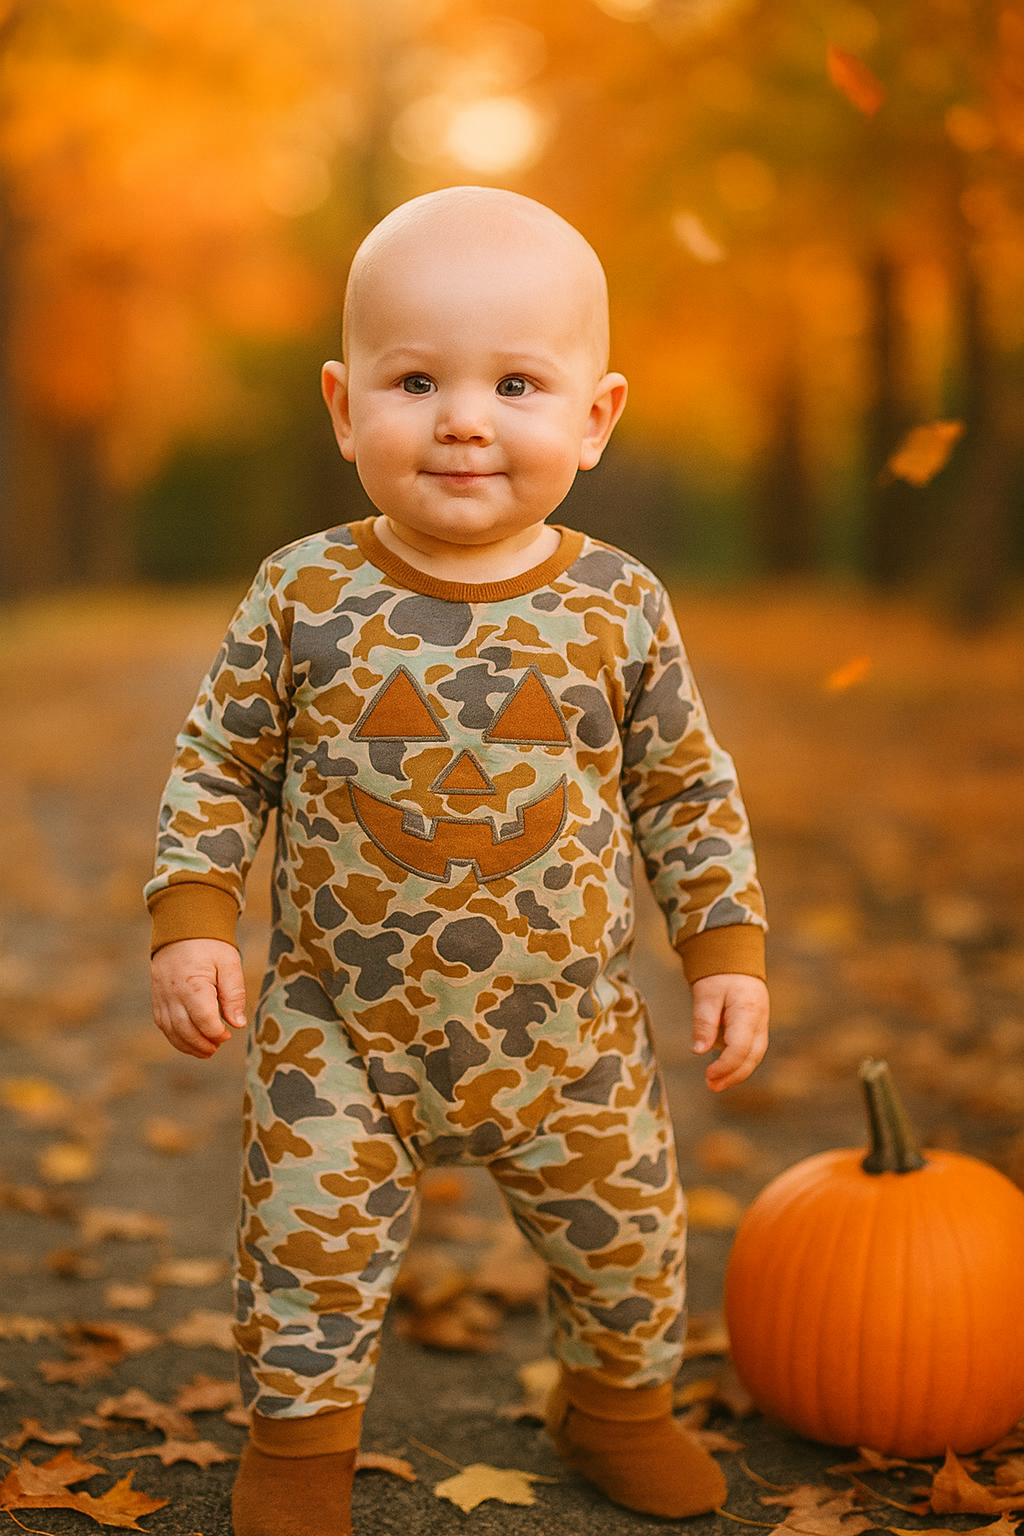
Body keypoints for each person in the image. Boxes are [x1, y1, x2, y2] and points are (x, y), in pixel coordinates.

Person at [147, 185, 769, 1536]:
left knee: (630, 1247)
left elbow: (683, 787)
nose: (464, 419)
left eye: (516, 383)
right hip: (340, 1025)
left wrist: (723, 945)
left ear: (595, 417)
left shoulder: (617, 606)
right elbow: (221, 761)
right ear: (342, 403)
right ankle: (302, 1452)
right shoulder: (303, 593)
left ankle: (615, 1410)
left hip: (571, 1033)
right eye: (416, 379)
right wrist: (195, 915)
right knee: (305, 1250)